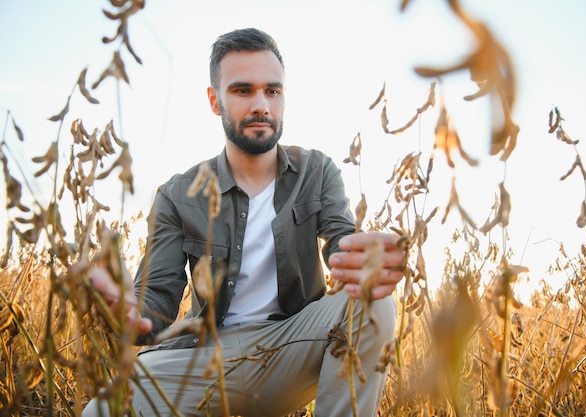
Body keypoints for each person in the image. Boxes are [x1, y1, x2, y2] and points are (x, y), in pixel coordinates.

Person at [83, 28, 404, 417]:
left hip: (290, 346)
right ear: (214, 100)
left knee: (373, 305)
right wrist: (128, 314)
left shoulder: (317, 171)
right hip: (203, 358)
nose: (261, 105)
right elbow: (158, 300)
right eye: (242, 91)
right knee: (102, 409)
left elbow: (342, 245)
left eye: (272, 91)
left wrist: (366, 262)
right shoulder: (176, 195)